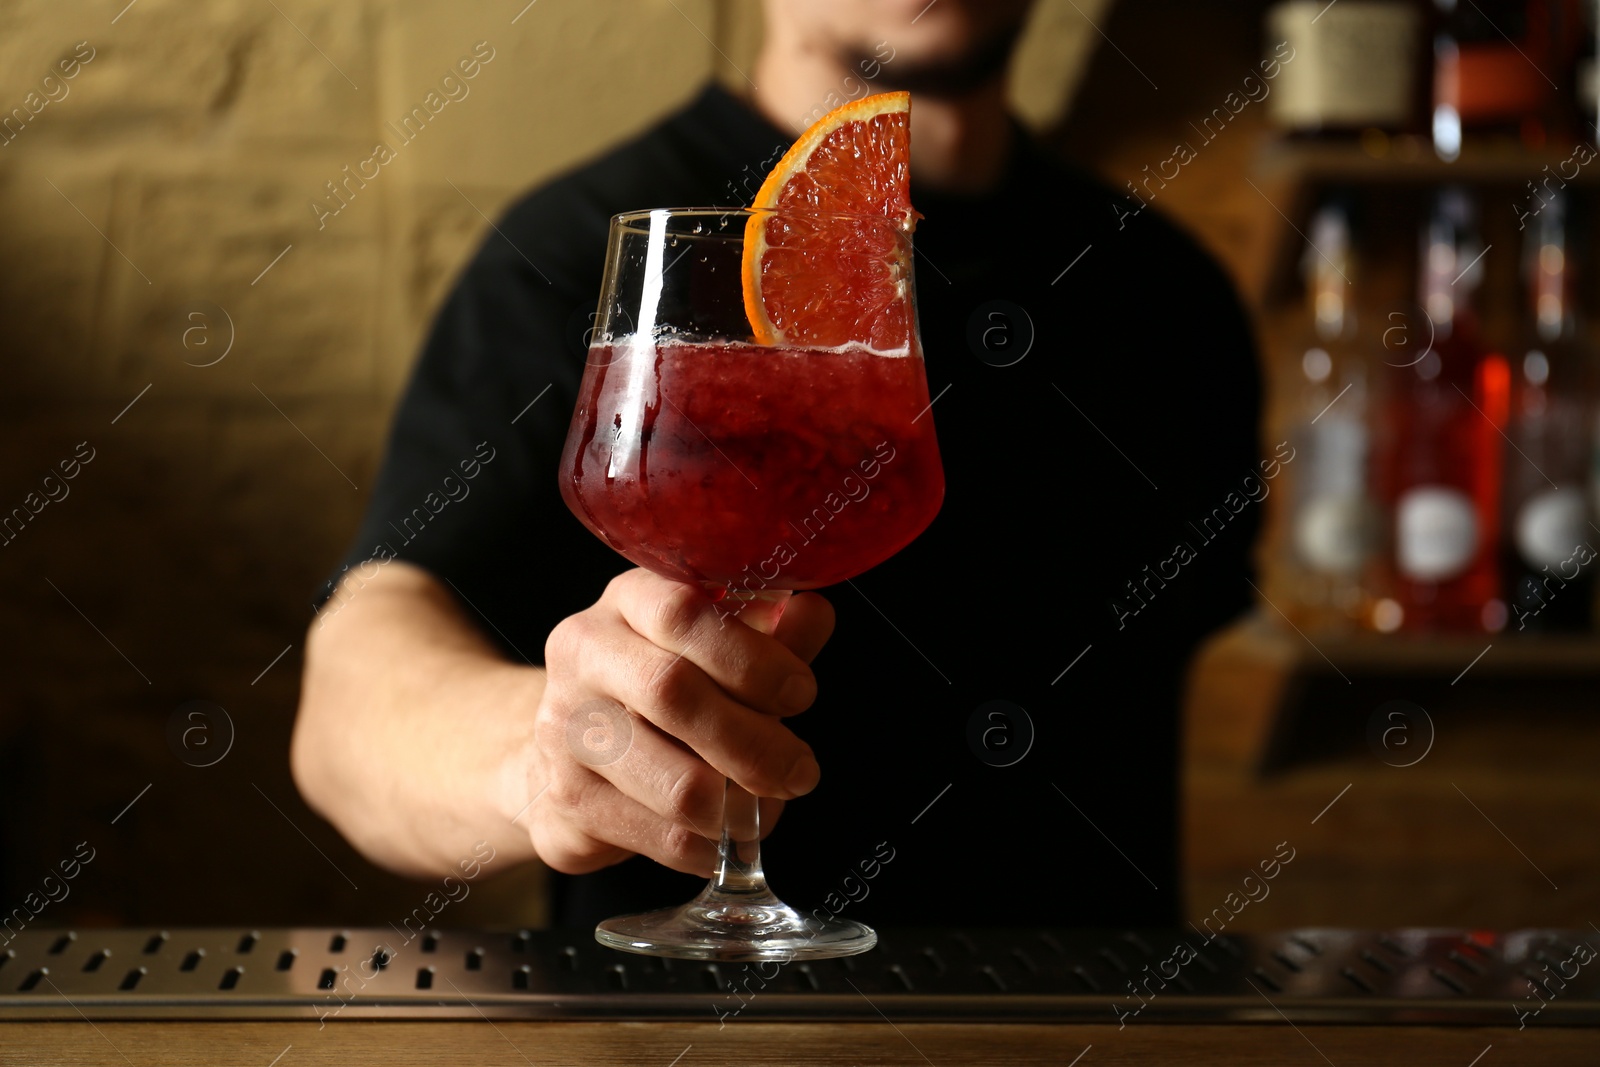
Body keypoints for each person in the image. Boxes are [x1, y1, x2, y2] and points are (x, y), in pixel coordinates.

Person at [291, 0, 1262, 930]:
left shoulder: (1170, 293)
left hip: (1084, 1020)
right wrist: (545, 752)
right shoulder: (578, 255)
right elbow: (349, 712)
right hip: (686, 1032)